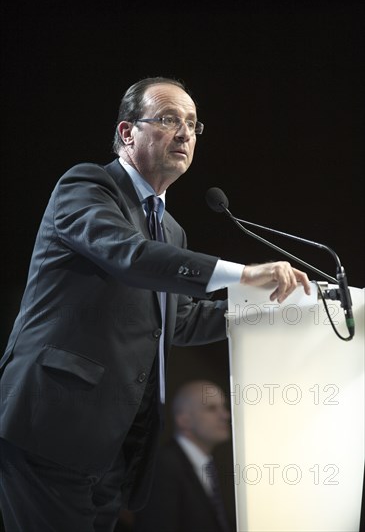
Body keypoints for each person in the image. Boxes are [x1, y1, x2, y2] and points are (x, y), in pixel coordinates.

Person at [0, 76, 311, 532]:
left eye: (192, 124)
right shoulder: (87, 185)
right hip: (50, 426)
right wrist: (243, 274)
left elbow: (178, 321)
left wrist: (268, 311)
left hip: (116, 445)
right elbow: (128, 255)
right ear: (128, 133)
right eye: (168, 119)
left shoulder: (172, 231)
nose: (185, 133)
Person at [134, 380, 235, 532]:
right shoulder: (163, 465)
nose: (225, 415)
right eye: (212, 408)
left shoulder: (208, 468)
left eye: (224, 407)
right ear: (184, 420)